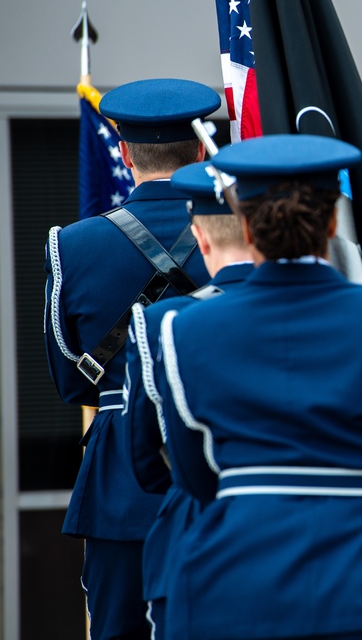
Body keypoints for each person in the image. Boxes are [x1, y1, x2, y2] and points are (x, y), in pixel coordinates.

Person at [155, 133, 362, 640]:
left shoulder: (184, 329)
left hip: (235, 593)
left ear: (244, 226)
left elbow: (198, 478)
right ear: (332, 222)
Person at [43, 78, 219, 639]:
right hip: (222, 457)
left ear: (123, 153)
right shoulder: (240, 234)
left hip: (121, 473)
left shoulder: (72, 245)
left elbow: (72, 382)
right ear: (198, 149)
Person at [123, 161, 255, 636]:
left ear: (199, 239)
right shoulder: (330, 312)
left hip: (198, 542)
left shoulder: (166, 324)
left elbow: (143, 458)